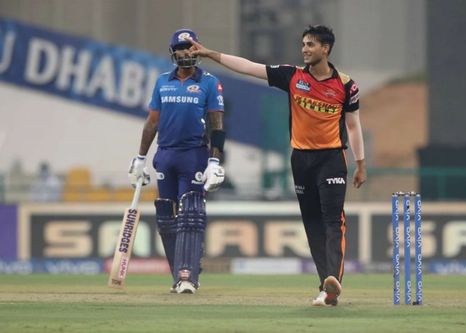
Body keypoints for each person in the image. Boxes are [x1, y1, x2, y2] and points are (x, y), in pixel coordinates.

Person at [190, 25, 366, 306]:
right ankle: (326, 288)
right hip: (301, 159)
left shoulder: (346, 85)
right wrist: (210, 54)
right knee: (312, 224)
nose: (305, 49)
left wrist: (360, 163)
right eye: (303, 44)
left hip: (332, 158)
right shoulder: (292, 76)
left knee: (333, 221)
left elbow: (353, 126)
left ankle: (333, 277)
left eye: (311, 44)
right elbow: (249, 67)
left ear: (326, 49)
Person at [128, 28, 226, 294]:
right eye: (181, 48)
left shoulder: (209, 82)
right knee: (166, 219)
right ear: (173, 52)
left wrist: (215, 162)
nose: (186, 52)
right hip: (165, 155)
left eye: (191, 47)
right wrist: (140, 158)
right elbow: (152, 123)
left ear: (197, 50)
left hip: (193, 155)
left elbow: (217, 125)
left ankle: (188, 277)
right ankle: (181, 273)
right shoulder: (162, 81)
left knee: (190, 214)